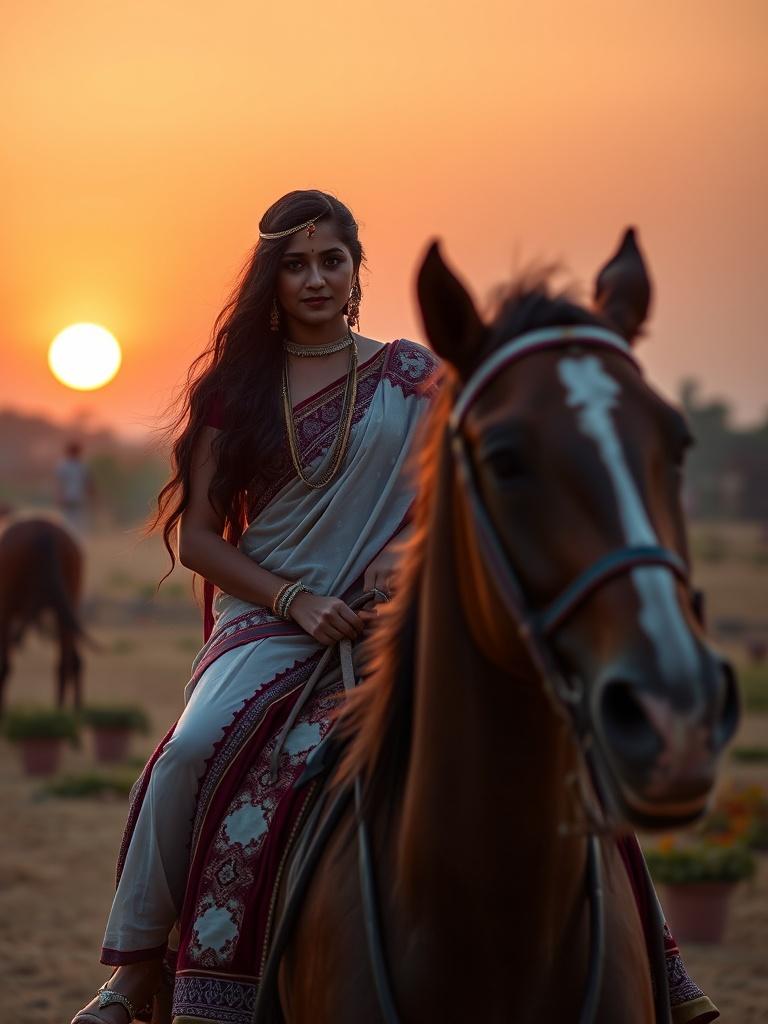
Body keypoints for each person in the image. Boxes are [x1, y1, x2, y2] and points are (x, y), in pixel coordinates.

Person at [72, 190, 440, 1024]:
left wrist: (398, 566)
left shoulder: (416, 380)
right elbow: (200, 539)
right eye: (294, 263)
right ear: (269, 280)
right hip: (270, 621)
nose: (315, 278)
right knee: (189, 748)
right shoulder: (235, 393)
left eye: (331, 260)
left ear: (356, 272)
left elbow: (452, 501)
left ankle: (650, 960)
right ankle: (135, 973)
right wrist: (296, 599)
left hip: (397, 616)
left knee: (538, 716)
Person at [55, 440, 92, 535]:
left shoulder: (64, 466)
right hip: (75, 497)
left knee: (71, 521)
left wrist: (59, 497)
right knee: (76, 522)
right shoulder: (81, 466)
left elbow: (60, 484)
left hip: (72, 497)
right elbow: (87, 483)